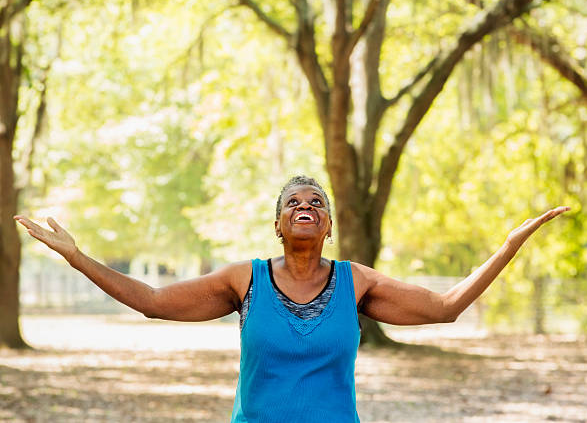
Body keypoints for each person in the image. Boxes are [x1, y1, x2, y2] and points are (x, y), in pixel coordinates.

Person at [16, 174, 569, 423]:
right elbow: (153, 301)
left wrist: (508, 246)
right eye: (293, 203)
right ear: (279, 224)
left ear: (327, 224)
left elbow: (446, 307)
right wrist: (75, 255)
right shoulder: (245, 280)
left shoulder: (357, 283)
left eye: (317, 202)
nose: (305, 206)